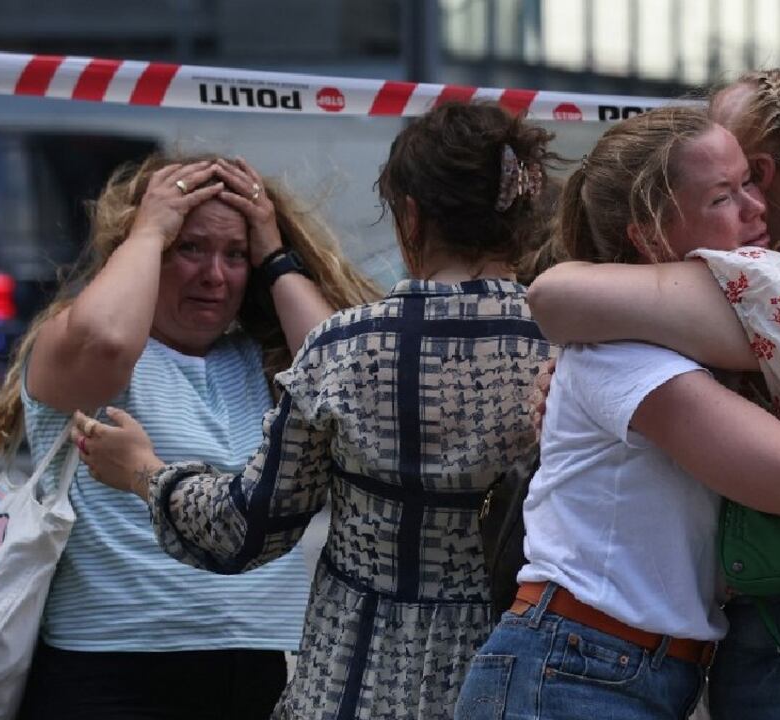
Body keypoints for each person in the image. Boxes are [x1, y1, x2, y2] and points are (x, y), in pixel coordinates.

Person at [454, 105, 780, 720]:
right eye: (724, 196)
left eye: (752, 182)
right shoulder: (626, 353)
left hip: (615, 666)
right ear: (646, 235)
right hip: (579, 665)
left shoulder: (666, 340)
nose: (756, 208)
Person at [72, 102, 557, 719]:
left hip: (352, 682)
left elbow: (242, 529)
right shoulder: (570, 347)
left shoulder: (347, 348)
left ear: (411, 217)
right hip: (513, 681)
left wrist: (144, 471)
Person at [0, 153, 375, 718]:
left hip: (249, 664)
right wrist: (151, 224)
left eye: (236, 255)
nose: (215, 275)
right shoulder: (81, 344)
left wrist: (275, 254)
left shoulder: (260, 359)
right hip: (109, 667)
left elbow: (348, 385)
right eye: (190, 248)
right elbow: (106, 339)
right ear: (146, 252)